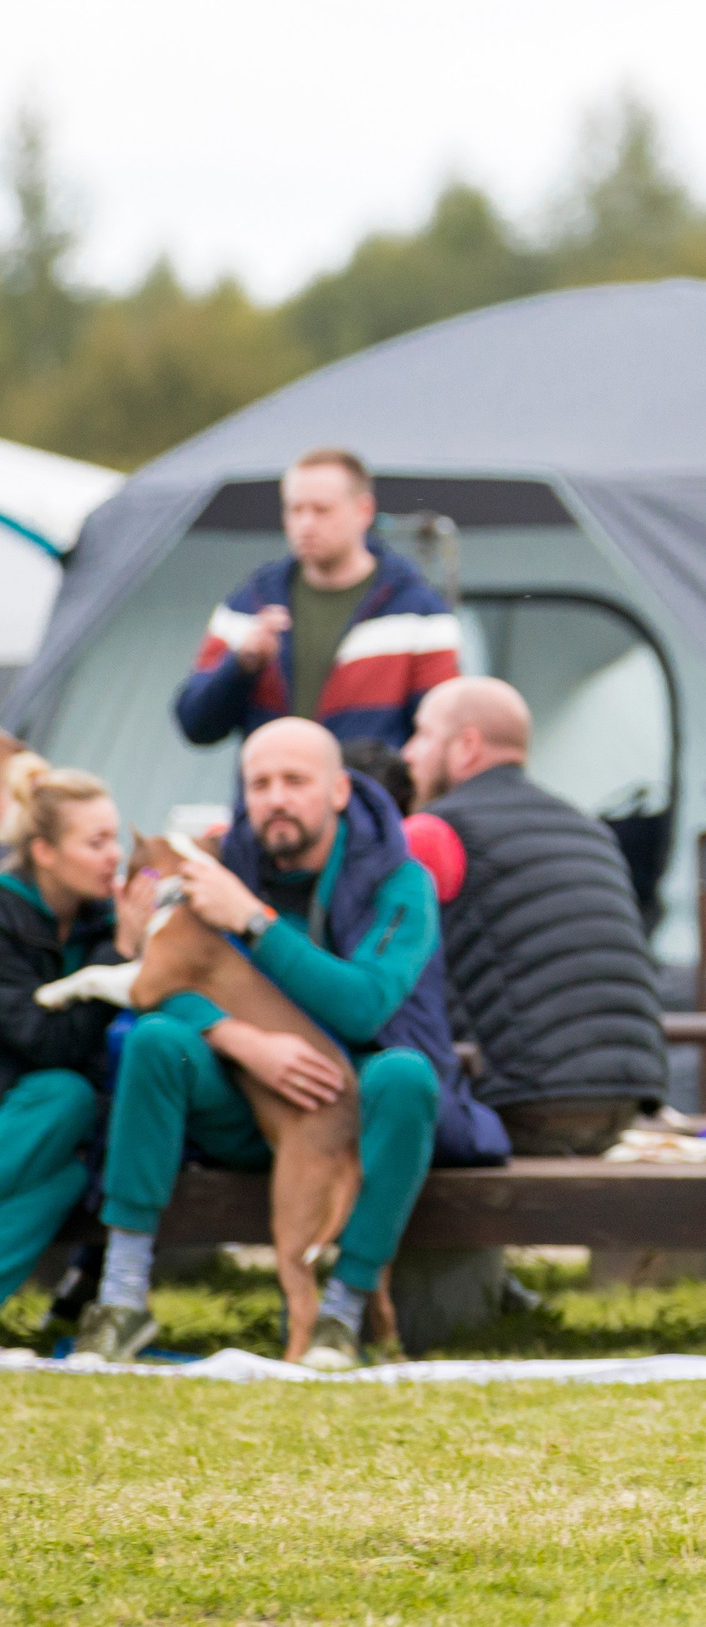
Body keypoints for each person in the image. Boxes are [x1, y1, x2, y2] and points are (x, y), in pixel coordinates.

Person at [70, 718, 503, 1370]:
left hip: (352, 1101)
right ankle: (121, 1297)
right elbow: (167, 979)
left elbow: (363, 1006)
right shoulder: (214, 864)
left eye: (295, 781)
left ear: (337, 790)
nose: (275, 798)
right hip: (244, 1095)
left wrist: (254, 921)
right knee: (156, 1041)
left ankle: (342, 1314)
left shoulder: (400, 880)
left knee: (408, 1077)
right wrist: (237, 1037)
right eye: (260, 784)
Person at [400, 678, 667, 1154]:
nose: (408, 753)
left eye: (421, 734)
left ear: (466, 746)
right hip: (627, 1099)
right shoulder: (589, 829)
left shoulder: (434, 831)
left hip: (523, 1105)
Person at [174, 447, 460, 753]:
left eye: (321, 510)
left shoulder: (419, 612)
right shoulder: (250, 604)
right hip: (272, 784)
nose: (306, 524)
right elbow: (194, 724)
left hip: (368, 786)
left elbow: (443, 735)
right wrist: (240, 665)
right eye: (295, 510)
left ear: (363, 510)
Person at [0, 757, 153, 1304]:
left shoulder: (98, 921)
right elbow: (43, 1041)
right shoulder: (4, 914)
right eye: (96, 842)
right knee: (65, 1095)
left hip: (46, 1122)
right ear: (45, 852)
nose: (115, 856)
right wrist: (121, 953)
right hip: (24, 1105)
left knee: (66, 1181)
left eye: (115, 838)